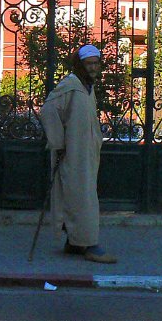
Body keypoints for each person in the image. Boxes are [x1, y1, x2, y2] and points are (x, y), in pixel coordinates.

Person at [37, 44, 117, 264]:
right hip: (72, 154)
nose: (93, 68)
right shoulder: (70, 85)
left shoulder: (86, 87)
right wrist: (58, 143)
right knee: (84, 197)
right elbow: (48, 110)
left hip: (86, 153)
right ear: (80, 65)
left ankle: (74, 242)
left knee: (78, 195)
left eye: (96, 63)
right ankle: (91, 244)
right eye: (89, 64)